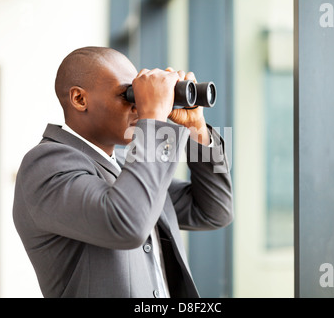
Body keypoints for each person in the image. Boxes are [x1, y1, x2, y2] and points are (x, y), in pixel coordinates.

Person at [12, 46, 233, 298]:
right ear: (80, 99)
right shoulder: (44, 164)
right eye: (129, 95)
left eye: (141, 97)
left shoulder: (125, 165)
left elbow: (214, 211)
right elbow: (127, 223)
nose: (139, 108)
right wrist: (154, 119)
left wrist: (197, 128)